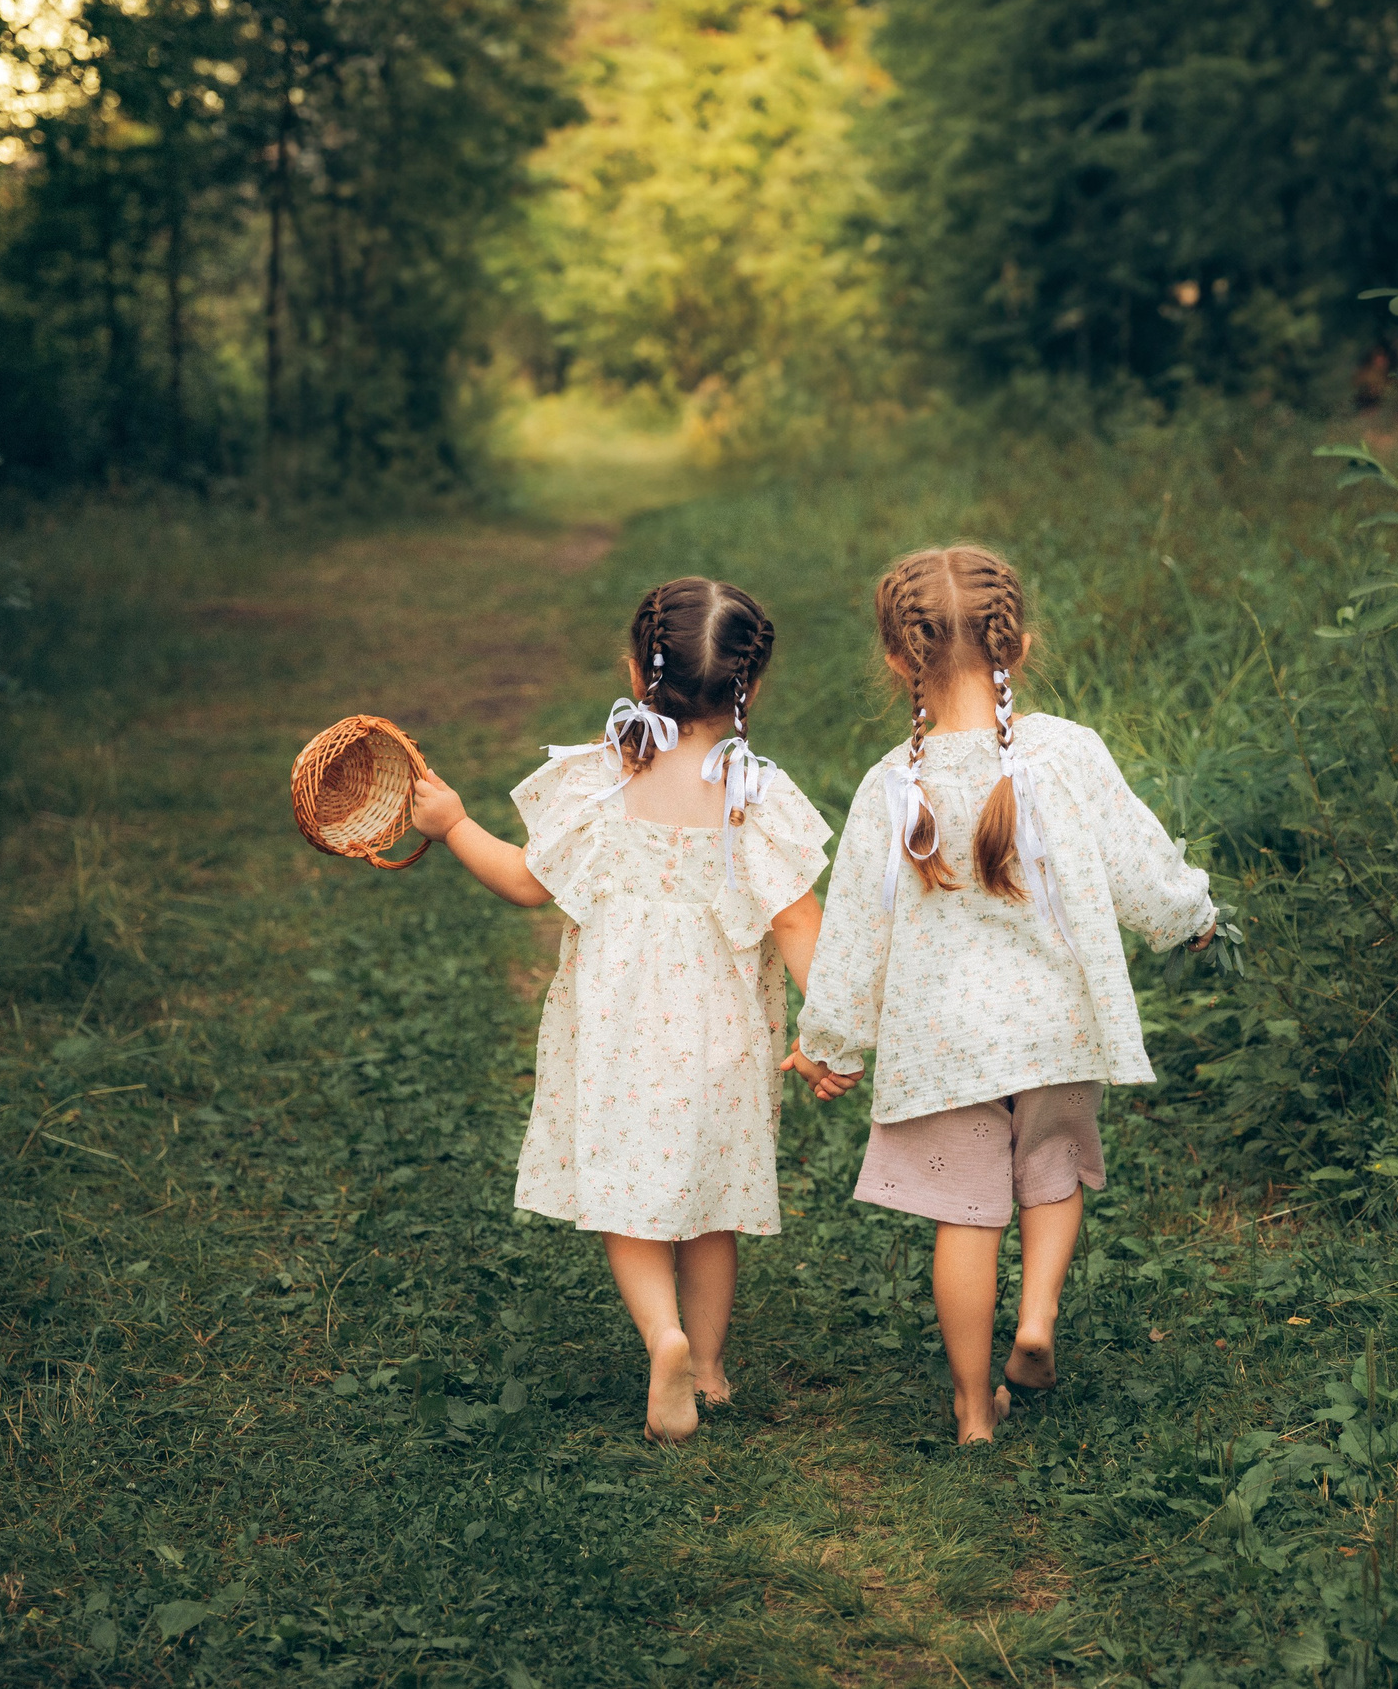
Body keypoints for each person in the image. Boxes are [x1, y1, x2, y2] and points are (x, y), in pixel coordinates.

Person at [786, 544, 1216, 1444]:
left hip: (943, 1040)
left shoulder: (889, 786)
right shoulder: (1066, 753)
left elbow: (858, 932)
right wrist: (1193, 917)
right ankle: (1037, 1321)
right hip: (1057, 1019)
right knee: (1052, 1172)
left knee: (965, 1215)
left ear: (900, 660)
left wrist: (829, 1043)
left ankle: (975, 1406)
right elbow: (1140, 858)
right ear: (1016, 643)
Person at [411, 577, 829, 1444]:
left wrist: (453, 823)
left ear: (637, 669)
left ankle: (662, 1336)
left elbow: (528, 883)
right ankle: (709, 1368)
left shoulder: (598, 785)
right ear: (750, 687)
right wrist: (828, 1032)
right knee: (714, 1199)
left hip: (618, 1031)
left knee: (630, 1199)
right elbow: (796, 920)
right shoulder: (756, 796)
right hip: (723, 1034)